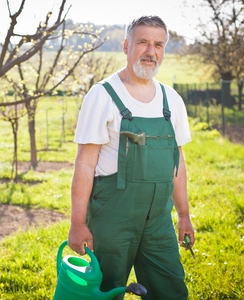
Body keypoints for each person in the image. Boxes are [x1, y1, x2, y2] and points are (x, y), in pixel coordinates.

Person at [68, 15, 195, 300]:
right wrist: (78, 223)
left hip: (159, 221)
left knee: (171, 290)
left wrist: (184, 215)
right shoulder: (102, 96)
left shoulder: (171, 100)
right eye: (143, 43)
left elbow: (178, 164)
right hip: (113, 219)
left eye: (159, 45)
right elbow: (85, 164)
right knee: (106, 291)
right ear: (126, 46)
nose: (151, 52)